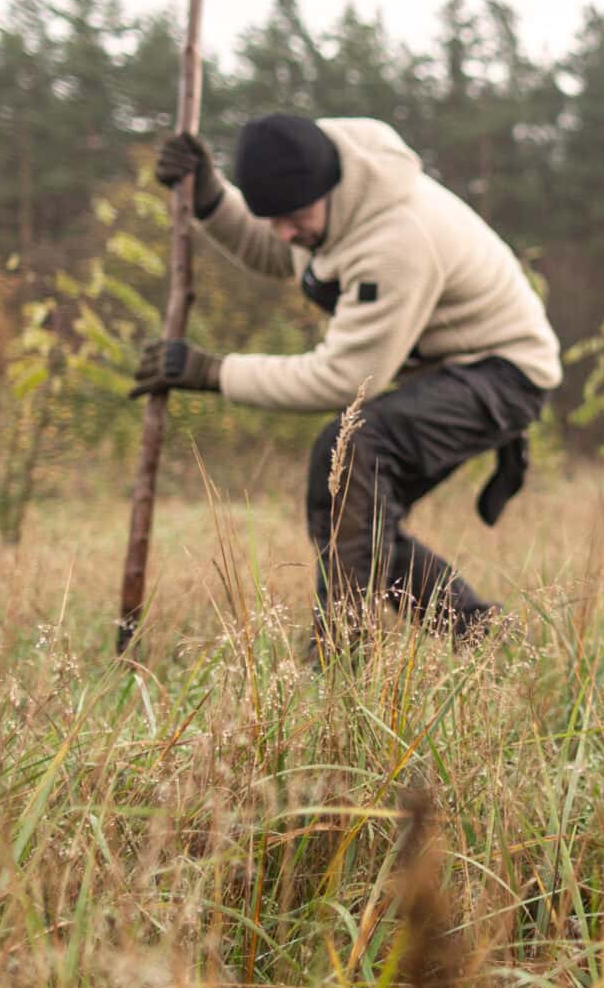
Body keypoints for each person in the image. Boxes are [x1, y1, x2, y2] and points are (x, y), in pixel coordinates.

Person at [133, 113, 562, 645]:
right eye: (274, 218)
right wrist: (209, 198)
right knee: (350, 504)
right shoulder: (329, 192)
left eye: (293, 216)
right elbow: (279, 251)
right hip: (452, 366)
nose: (286, 232)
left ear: (327, 188)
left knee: (354, 447)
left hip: (506, 373)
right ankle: (481, 634)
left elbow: (344, 379)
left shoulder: (398, 238)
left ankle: (341, 655)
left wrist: (214, 372)